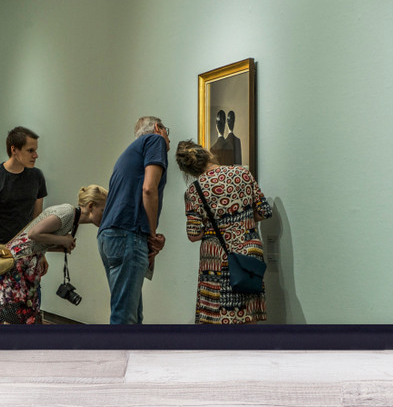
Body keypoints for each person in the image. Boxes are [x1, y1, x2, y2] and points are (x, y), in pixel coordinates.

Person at [175, 139, 272, 324]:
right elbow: (264, 211)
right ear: (207, 154)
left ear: (189, 171)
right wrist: (242, 221)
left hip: (217, 263)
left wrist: (215, 228)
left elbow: (193, 234)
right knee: (248, 319)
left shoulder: (194, 191)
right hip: (248, 257)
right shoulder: (242, 173)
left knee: (219, 325)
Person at [0, 185, 108, 324]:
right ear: (91, 206)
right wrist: (63, 240)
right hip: (16, 267)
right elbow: (33, 234)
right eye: (103, 210)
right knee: (16, 317)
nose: (106, 215)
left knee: (17, 317)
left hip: (22, 266)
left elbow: (37, 242)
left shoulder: (72, 219)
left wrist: (61, 246)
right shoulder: (67, 213)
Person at [98, 116, 170, 324]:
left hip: (109, 236)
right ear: (158, 128)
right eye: (167, 132)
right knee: (124, 318)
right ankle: (118, 357)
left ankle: (132, 356)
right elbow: (149, 189)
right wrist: (153, 234)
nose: (168, 139)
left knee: (132, 314)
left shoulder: (129, 153)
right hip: (128, 235)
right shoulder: (155, 141)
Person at [0, 126, 48, 321]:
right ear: (14, 149)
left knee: (28, 315)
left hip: (25, 256)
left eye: (36, 150)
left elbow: (37, 221)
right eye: (30, 150)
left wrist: (40, 254)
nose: (36, 155)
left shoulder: (36, 177)